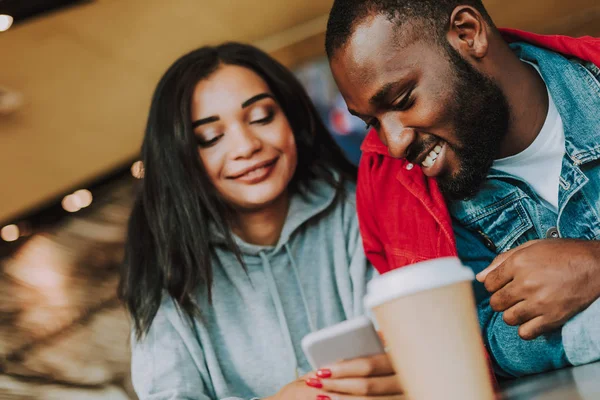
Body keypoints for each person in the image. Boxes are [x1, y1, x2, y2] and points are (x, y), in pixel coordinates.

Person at [325, 0, 600, 378]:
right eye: (373, 122)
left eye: (403, 100)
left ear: (468, 34)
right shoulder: (401, 199)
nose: (394, 144)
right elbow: (474, 343)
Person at [118, 43, 405, 400]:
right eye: (210, 137)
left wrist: (401, 374)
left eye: (261, 117)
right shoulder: (166, 269)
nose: (246, 145)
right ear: (181, 158)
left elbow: (412, 341)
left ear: (292, 119)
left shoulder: (358, 209)